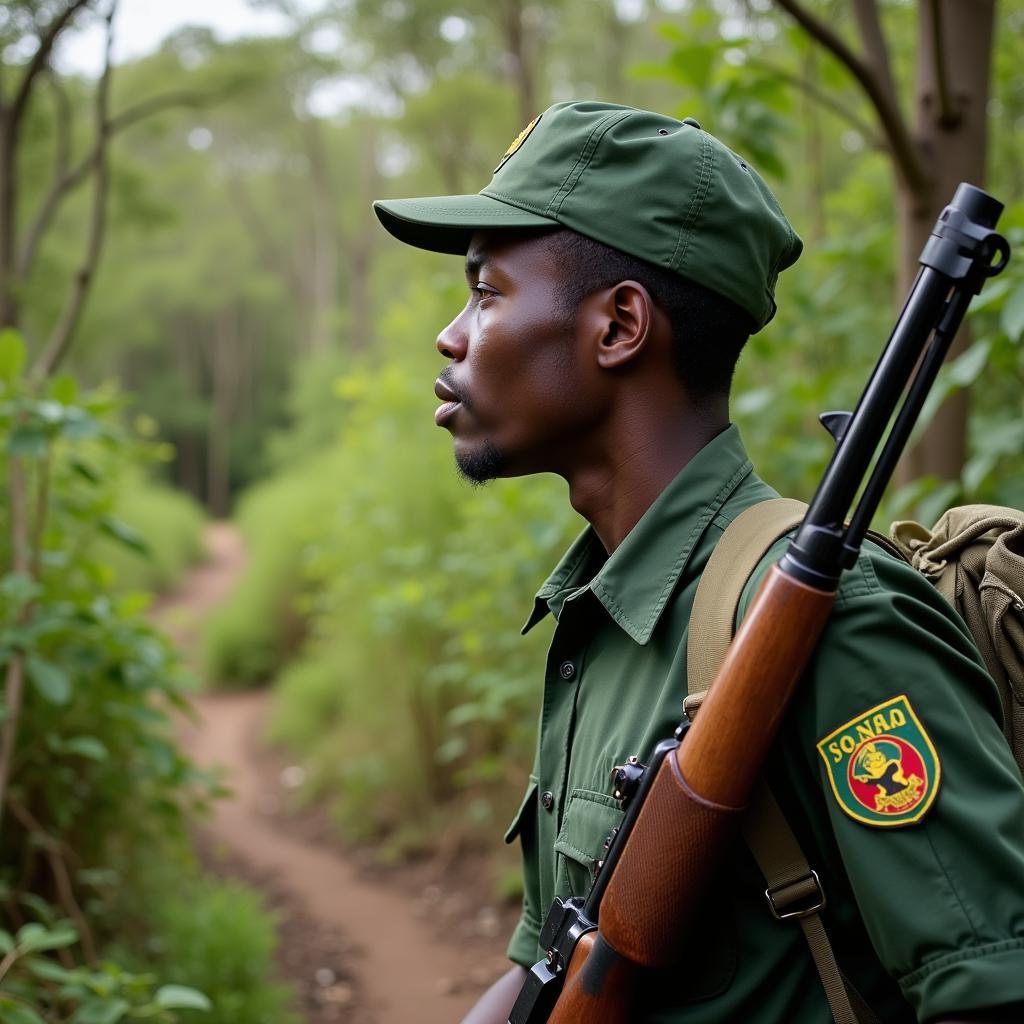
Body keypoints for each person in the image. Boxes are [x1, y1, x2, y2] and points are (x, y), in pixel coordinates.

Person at [372, 100, 1024, 1023]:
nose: (452, 334)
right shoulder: (597, 618)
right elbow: (545, 966)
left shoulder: (840, 624)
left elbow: (992, 984)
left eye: (486, 292)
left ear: (619, 326)